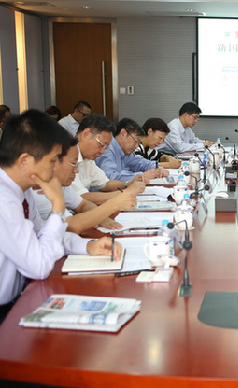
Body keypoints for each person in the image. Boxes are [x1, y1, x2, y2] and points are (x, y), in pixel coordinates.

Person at [0, 110, 122, 324]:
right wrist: (58, 206)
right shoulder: (4, 199)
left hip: (18, 298)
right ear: (25, 161)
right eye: (53, 160)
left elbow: (44, 234)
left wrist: (88, 246)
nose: (56, 167)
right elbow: (38, 267)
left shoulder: (22, 190)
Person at [33, 135, 137, 234]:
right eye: (73, 164)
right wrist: (112, 205)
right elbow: (71, 226)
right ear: (54, 161)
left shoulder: (58, 182)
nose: (77, 170)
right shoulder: (37, 190)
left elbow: (82, 205)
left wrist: (101, 217)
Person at [71, 115, 146, 206]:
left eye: (106, 147)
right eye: (102, 145)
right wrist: (124, 193)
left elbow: (105, 183)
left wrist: (128, 184)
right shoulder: (66, 157)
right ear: (86, 134)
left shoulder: (88, 159)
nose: (103, 151)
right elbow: (81, 198)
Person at [95, 118, 168, 182]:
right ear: (123, 133)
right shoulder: (107, 149)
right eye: (135, 141)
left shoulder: (124, 151)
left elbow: (139, 162)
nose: (136, 146)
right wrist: (142, 176)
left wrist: (158, 166)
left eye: (138, 143)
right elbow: (110, 178)